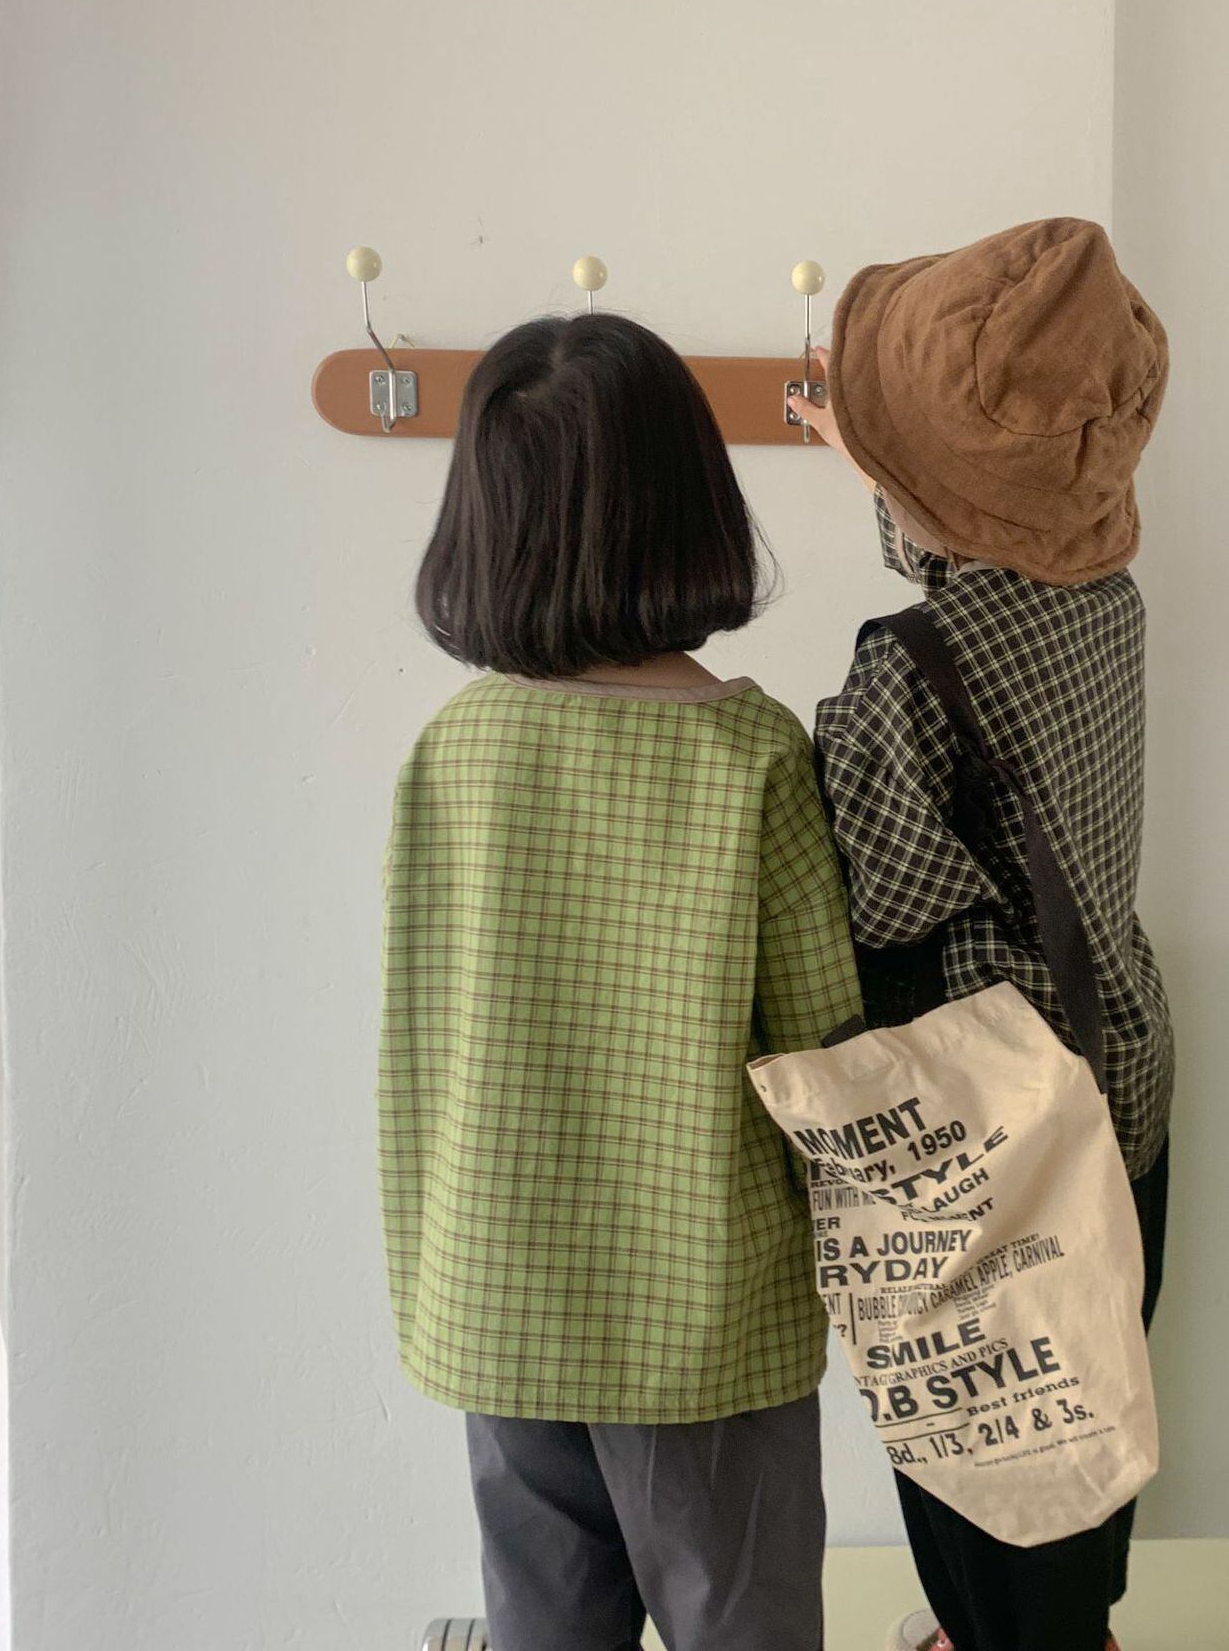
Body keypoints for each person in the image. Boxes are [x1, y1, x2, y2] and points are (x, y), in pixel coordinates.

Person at [379, 314, 862, 1651]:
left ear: (485, 519)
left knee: (540, 1627)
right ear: (689, 503)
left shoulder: (455, 752)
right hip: (707, 1315)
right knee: (746, 1625)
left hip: (498, 1288)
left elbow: (421, 1042)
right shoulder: (752, 758)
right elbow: (826, 1056)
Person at [790, 218, 1174, 1651]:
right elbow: (971, 550)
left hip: (990, 1124)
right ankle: (1071, 1630)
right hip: (1119, 1066)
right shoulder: (1110, 603)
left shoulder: (915, 663)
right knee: (1092, 1388)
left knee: (977, 1427)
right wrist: (891, 462)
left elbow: (884, 907)